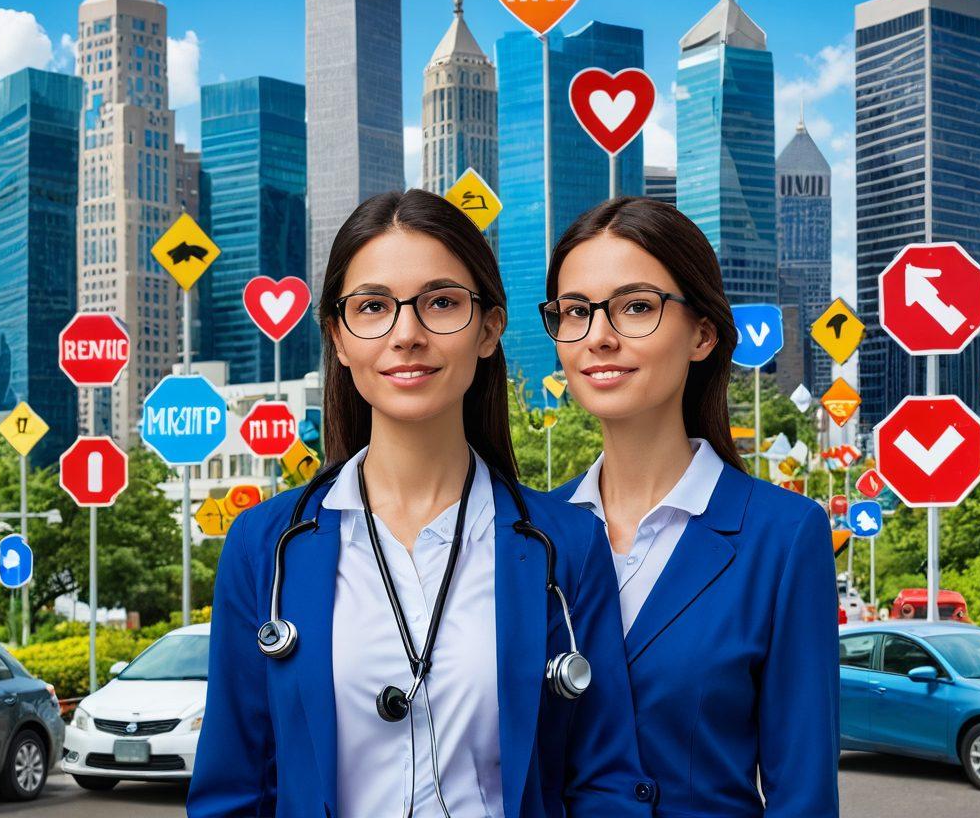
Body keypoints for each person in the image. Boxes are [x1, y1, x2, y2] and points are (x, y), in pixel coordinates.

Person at [189, 190, 655, 818]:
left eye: (440, 302)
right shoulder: (263, 546)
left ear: (489, 328)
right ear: (338, 336)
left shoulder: (567, 544)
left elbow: (604, 782)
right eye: (373, 307)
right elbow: (233, 791)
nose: (406, 334)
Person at [541, 197, 839, 817]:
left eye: (637, 307)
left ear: (702, 333)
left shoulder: (782, 537)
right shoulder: (527, 533)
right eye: (575, 312)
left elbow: (802, 792)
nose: (599, 335)